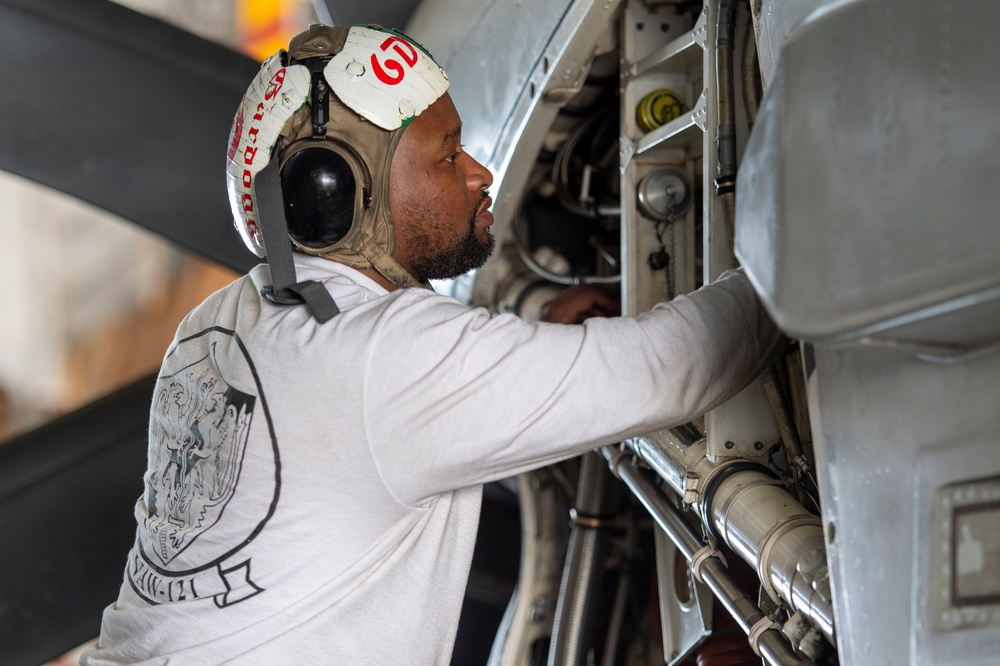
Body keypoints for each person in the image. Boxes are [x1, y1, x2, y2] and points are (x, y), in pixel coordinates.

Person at [83, 23, 782, 665]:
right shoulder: (385, 356)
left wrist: (530, 339)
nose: (479, 173)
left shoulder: (214, 322)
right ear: (334, 195)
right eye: (448, 155)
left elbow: (362, 407)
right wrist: (799, 260)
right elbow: (675, 367)